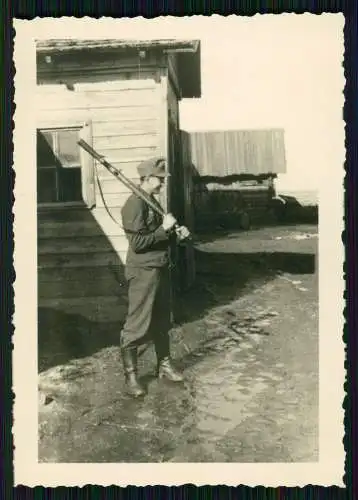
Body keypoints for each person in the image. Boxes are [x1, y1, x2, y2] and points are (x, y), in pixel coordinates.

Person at [120, 157, 190, 398]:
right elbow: (138, 244)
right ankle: (131, 377)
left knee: (162, 320)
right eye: (160, 179)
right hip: (143, 273)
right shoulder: (134, 204)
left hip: (159, 268)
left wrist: (175, 235)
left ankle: (165, 366)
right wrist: (165, 229)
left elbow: (157, 238)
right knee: (137, 325)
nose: (162, 184)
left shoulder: (150, 201)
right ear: (148, 178)